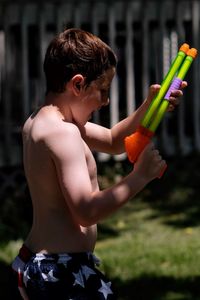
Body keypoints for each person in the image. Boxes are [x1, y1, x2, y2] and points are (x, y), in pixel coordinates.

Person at [10, 28, 186, 300]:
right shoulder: (63, 133)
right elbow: (86, 211)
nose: (105, 101)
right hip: (60, 269)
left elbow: (115, 140)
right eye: (102, 91)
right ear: (77, 84)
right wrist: (139, 177)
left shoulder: (44, 122)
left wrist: (150, 105)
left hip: (43, 262)